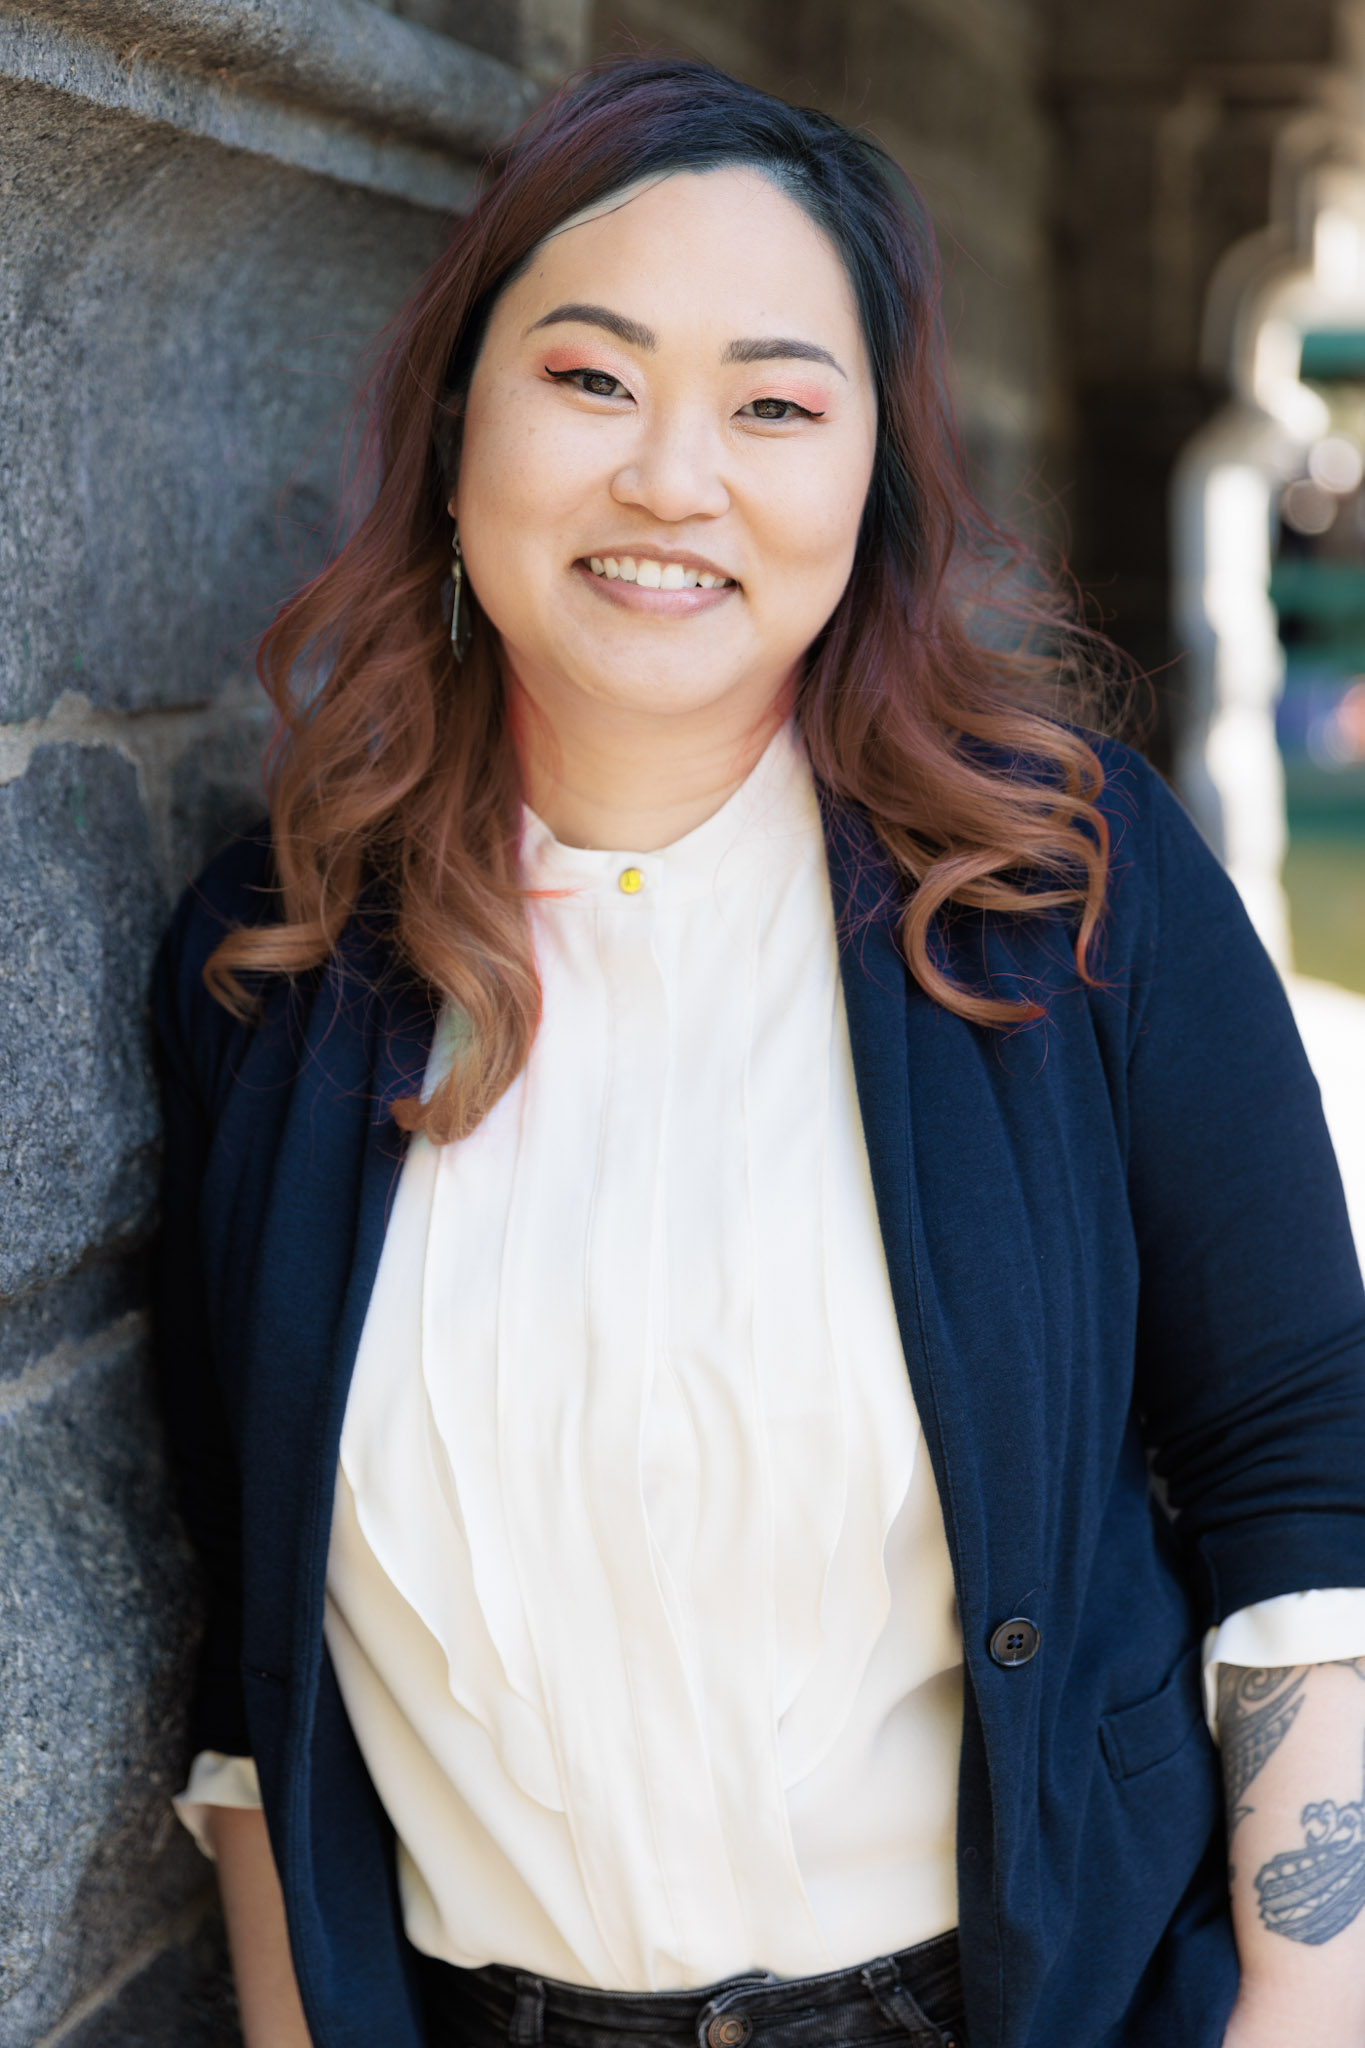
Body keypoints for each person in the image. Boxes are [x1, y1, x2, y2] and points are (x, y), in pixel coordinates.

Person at [152, 55, 1365, 2048]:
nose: (671, 478)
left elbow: (1295, 1461)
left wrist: (1303, 2009)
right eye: (591, 378)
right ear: (458, 432)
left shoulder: (1063, 896)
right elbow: (252, 1632)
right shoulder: (270, 973)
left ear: (868, 480)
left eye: (775, 403)